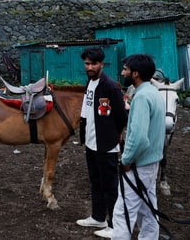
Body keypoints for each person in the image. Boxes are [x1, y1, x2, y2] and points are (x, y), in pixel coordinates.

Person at [76, 47, 128, 239]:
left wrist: (116, 134)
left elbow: (122, 115)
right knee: (95, 181)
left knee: (110, 184)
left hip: (106, 143)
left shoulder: (110, 86)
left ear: (101, 64)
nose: (89, 67)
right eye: (86, 63)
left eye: (93, 64)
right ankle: (98, 217)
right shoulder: (90, 81)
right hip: (91, 141)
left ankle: (116, 225)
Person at [111, 54, 166, 239]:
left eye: (125, 69)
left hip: (138, 165)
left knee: (123, 212)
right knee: (148, 210)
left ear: (135, 74)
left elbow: (139, 137)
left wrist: (126, 160)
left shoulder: (142, 97)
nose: (122, 72)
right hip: (151, 162)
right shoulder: (153, 93)